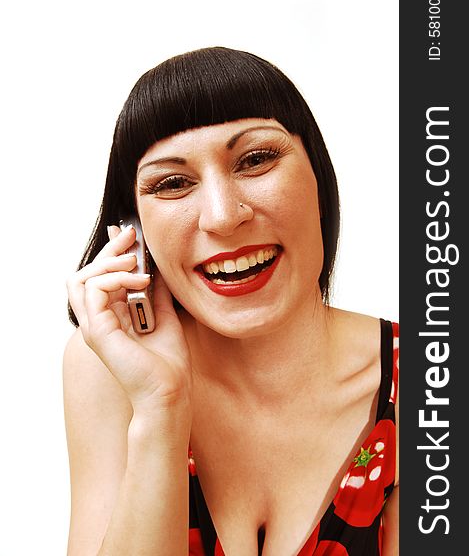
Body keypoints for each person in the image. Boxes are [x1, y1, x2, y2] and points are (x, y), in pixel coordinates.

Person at [64, 47, 399, 556]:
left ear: (318, 177)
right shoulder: (111, 370)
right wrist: (160, 408)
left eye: (256, 160)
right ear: (132, 234)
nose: (222, 217)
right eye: (173, 183)